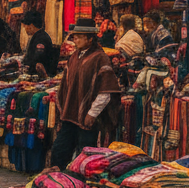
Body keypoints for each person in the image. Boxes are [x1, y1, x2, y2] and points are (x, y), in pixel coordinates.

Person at [50, 17, 121, 170]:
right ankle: (58, 182)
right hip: (70, 115)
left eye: (79, 37)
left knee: (85, 155)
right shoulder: (74, 56)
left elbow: (105, 89)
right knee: (59, 150)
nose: (75, 39)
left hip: (87, 116)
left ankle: (82, 185)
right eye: (75, 36)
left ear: (90, 39)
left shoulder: (99, 58)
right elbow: (67, 85)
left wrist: (92, 113)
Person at [20, 11, 57, 77]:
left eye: (25, 26)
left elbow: (38, 60)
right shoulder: (37, 36)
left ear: (31, 25)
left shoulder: (41, 39)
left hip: (38, 77)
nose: (25, 28)